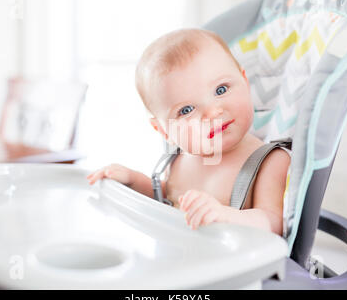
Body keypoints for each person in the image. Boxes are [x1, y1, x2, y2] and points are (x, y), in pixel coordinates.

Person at [87, 28, 290, 235]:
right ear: (163, 130)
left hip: (235, 264)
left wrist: (225, 215)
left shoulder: (270, 161)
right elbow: (167, 197)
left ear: (245, 83)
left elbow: (274, 223)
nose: (212, 113)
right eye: (186, 110)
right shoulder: (179, 160)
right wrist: (133, 181)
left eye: (221, 90)